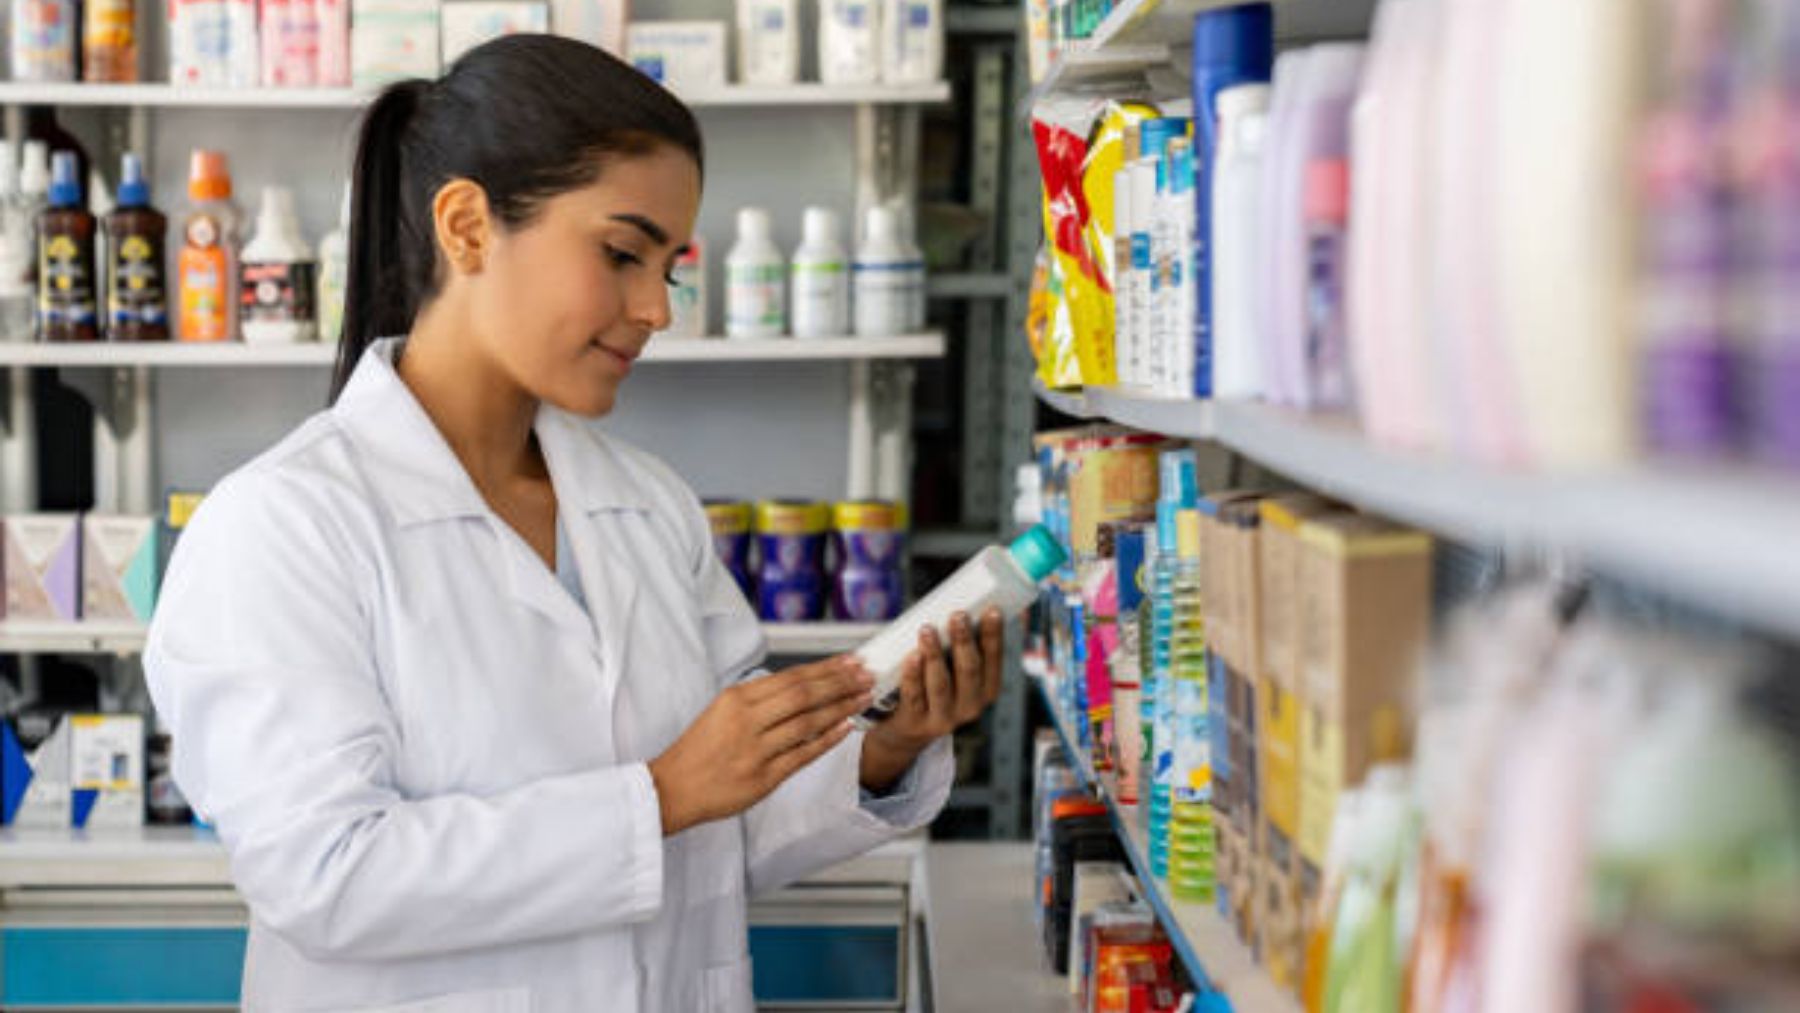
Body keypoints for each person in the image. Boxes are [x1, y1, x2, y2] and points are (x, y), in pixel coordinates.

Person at [145, 35, 1002, 1012]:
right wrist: (661, 793)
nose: (655, 308)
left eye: (669, 265)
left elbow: (724, 823)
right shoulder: (283, 523)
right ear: (467, 227)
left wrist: (882, 747)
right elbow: (326, 873)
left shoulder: (648, 505)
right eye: (620, 253)